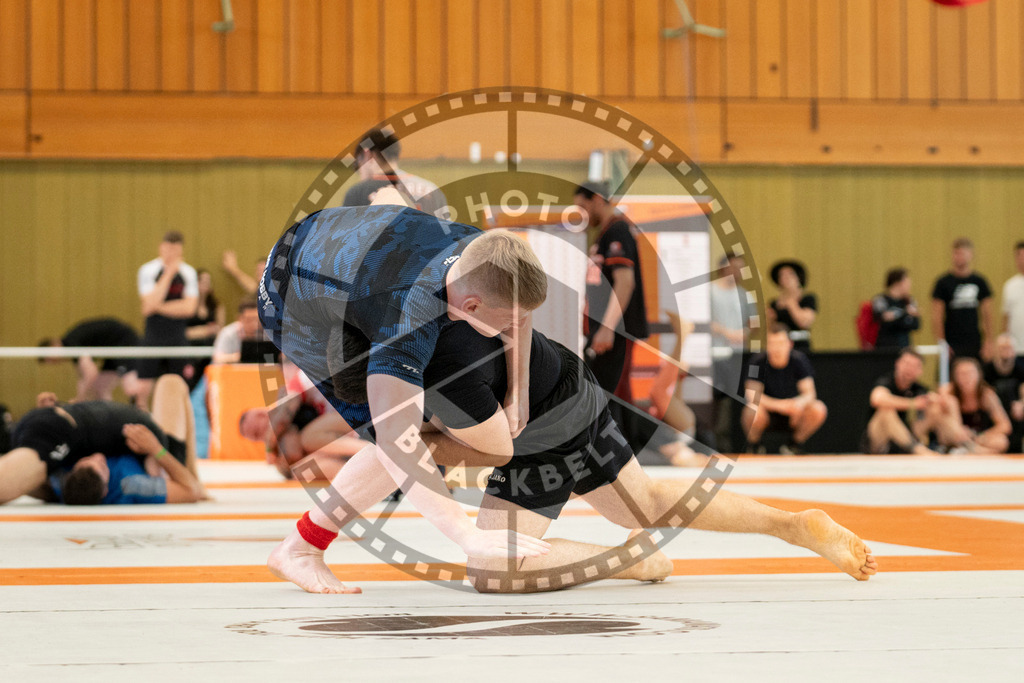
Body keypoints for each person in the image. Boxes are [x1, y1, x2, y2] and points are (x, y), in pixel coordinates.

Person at [267, 318, 877, 595]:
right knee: (652, 504)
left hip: (546, 415)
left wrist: (448, 512)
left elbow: (474, 449)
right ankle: (791, 526)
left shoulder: (443, 371)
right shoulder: (395, 341)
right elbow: (405, 449)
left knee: (493, 568)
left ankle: (637, 562)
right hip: (547, 391)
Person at [258, 196, 544, 562]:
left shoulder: (482, 250)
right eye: (507, 320)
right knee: (393, 436)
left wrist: (519, 391)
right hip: (291, 303)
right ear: (471, 305)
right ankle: (301, 549)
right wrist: (467, 535)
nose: (514, 327)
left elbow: (519, 308)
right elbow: (397, 441)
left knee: (455, 434)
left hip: (329, 239)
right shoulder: (404, 320)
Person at [0, 375, 201, 505]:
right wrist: (156, 448)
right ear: (106, 488)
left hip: (124, 438)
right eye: (102, 466)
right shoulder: (131, 484)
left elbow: (31, 479)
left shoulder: (63, 483)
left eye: (87, 460)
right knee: (171, 382)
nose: (98, 457)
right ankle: (191, 468)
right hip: (162, 459)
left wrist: (48, 412)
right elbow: (191, 490)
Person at [574, 181, 649, 405]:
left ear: (597, 200)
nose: (582, 215)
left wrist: (607, 329)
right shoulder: (604, 234)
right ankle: (628, 439)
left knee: (612, 396)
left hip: (616, 332)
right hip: (605, 331)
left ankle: (626, 439)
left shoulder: (618, 230)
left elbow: (625, 282)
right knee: (616, 394)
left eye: (583, 207)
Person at [239, 364, 368, 479]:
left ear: (262, 414)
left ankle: (372, 453)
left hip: (360, 409)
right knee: (301, 470)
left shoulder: (293, 388)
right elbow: (291, 460)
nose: (262, 437)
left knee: (308, 438)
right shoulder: (283, 436)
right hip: (347, 429)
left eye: (257, 432)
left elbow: (283, 416)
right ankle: (364, 474)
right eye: (257, 438)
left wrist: (269, 447)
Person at [742, 323, 828, 454]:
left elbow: (810, 394)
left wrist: (798, 403)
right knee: (752, 410)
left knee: (818, 409)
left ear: (790, 344)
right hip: (767, 412)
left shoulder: (799, 360)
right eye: (772, 343)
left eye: (780, 343)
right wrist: (780, 405)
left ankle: (794, 445)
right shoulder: (757, 361)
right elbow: (752, 395)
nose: (776, 348)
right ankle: (754, 446)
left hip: (793, 412)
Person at [136, 231, 199, 408]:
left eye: (176, 250)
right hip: (153, 334)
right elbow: (148, 307)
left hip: (177, 336)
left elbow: (189, 309)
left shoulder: (188, 272)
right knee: (142, 389)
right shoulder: (148, 270)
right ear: (161, 248)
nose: (172, 254)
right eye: (168, 249)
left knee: (182, 387)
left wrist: (158, 306)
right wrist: (169, 274)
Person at [342, 128, 447, 216]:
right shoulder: (432, 190)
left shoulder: (357, 193)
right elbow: (448, 235)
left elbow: (345, 237)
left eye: (357, 164)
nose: (359, 172)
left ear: (367, 154)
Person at [646, 311, 704, 466]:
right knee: (659, 392)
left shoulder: (674, 450)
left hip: (679, 428)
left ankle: (682, 336)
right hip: (681, 428)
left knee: (658, 392)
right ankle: (682, 336)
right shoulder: (679, 450)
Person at [38, 318, 141, 403]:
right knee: (100, 388)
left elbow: (91, 373)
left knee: (131, 387)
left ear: (54, 344)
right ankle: (108, 417)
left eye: (49, 357)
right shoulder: (73, 351)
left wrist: (79, 398)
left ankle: (141, 411)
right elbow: (86, 377)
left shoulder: (71, 343)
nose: (52, 361)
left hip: (123, 342)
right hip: (110, 351)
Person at [863, 348, 940, 455]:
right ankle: (918, 450)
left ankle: (961, 443)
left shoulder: (918, 389)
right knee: (886, 410)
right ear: (897, 364)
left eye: (914, 366)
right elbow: (877, 399)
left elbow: (935, 401)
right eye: (907, 363)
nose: (909, 369)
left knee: (937, 407)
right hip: (878, 441)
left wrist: (936, 400)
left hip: (906, 437)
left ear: (920, 371)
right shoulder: (887, 381)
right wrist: (913, 403)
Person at [710, 252, 751, 451]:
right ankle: (717, 442)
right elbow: (705, 322)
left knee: (735, 399)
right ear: (724, 267)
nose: (737, 272)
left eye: (740, 268)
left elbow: (753, 322)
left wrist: (744, 332)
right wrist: (727, 332)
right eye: (734, 267)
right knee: (717, 398)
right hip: (715, 353)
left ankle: (736, 443)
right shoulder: (710, 291)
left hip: (738, 354)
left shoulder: (744, 294)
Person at [928, 357, 1010, 454]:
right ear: (955, 376)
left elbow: (1005, 425)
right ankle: (975, 451)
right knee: (945, 406)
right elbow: (936, 414)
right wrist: (960, 430)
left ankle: (971, 451)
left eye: (970, 373)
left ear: (978, 375)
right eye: (962, 374)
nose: (966, 377)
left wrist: (981, 436)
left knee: (1002, 441)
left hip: (975, 438)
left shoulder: (986, 395)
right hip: (953, 436)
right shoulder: (948, 391)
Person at [931, 237, 993, 361]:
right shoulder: (943, 283)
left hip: (974, 342)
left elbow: (988, 314)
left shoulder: (979, 281)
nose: (960, 257)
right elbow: (936, 316)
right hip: (952, 343)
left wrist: (989, 341)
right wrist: (942, 343)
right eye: (957, 253)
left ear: (971, 255)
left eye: (963, 254)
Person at [983, 334, 1024, 452]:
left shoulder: (1020, 368)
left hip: (1015, 409)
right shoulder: (987, 369)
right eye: (1003, 348)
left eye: (1009, 348)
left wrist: (1021, 403)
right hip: (994, 408)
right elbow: (985, 391)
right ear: (996, 349)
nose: (1006, 351)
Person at [767, 260, 817, 351]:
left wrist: (791, 303)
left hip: (801, 344)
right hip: (780, 345)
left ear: (798, 277)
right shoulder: (774, 303)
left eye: (790, 274)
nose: (786, 278)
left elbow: (804, 323)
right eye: (781, 275)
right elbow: (770, 329)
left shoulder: (808, 299)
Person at [871, 268, 921, 349]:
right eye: (906, 282)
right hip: (885, 348)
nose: (909, 286)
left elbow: (916, 325)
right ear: (897, 283)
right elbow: (884, 322)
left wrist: (895, 317)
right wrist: (906, 314)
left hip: (905, 347)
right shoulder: (880, 300)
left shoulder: (909, 301)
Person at [211, 296, 263, 364]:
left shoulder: (268, 333)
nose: (254, 324)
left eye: (256, 319)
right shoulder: (228, 333)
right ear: (240, 318)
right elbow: (217, 358)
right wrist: (241, 357)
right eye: (249, 320)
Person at [1000, 241, 1024, 351]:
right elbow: (1006, 316)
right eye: (1019, 256)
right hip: (1016, 349)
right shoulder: (1010, 285)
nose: (1022, 260)